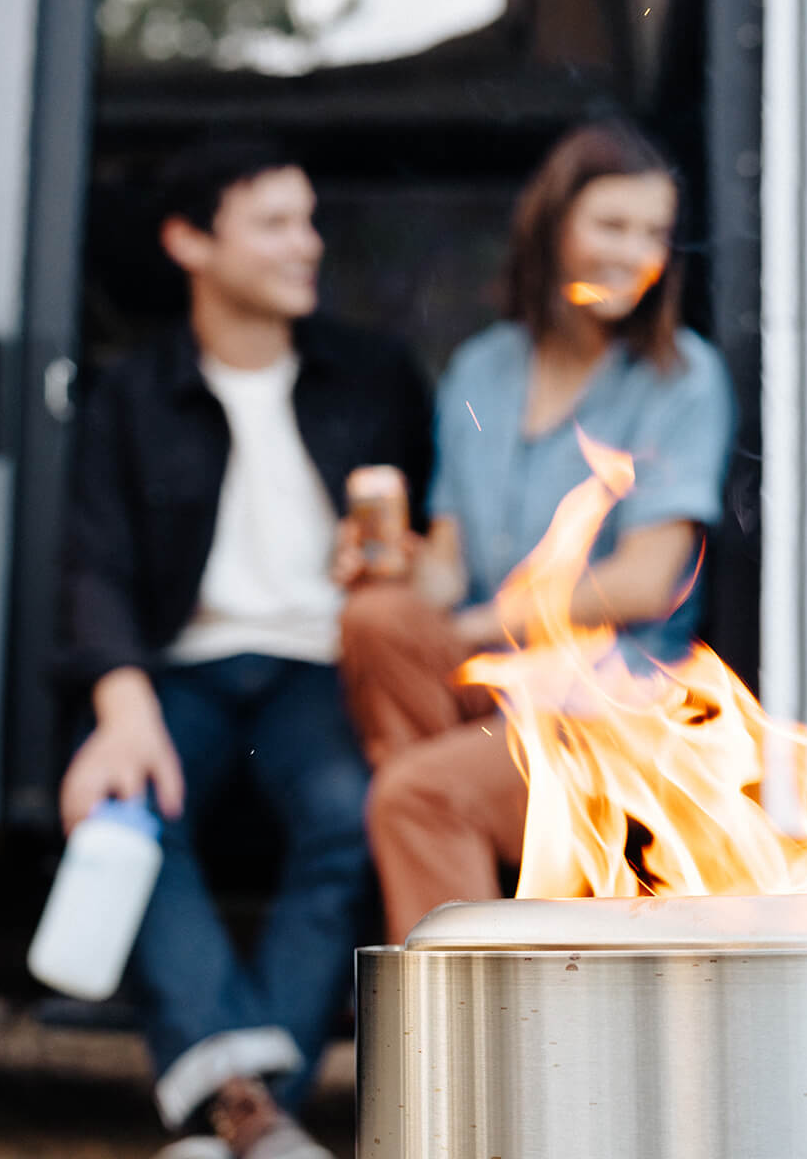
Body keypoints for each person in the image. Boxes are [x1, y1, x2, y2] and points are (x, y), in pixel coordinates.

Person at [56, 137, 432, 1159]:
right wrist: (121, 711)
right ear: (190, 242)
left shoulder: (375, 377)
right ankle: (257, 1114)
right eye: (273, 223)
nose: (305, 245)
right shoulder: (130, 398)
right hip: (186, 668)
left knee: (348, 819)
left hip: (320, 668)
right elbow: (93, 568)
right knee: (126, 813)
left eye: (308, 220)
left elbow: (437, 540)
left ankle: (228, 1109)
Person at [338, 121, 735, 944]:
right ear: (553, 227)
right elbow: (448, 569)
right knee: (374, 618)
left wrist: (469, 628)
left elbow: (642, 582)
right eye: (612, 226)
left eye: (655, 233)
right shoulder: (483, 367)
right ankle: (480, 873)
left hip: (609, 699)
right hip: (490, 688)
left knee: (411, 792)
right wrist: (391, 566)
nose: (635, 253)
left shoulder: (680, 378)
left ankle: (460, 968)